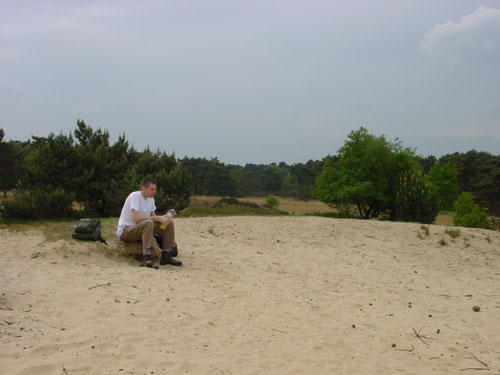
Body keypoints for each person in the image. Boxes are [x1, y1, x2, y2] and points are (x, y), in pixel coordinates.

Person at [116, 177, 182, 268]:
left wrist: (165, 216)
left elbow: (154, 217)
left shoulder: (150, 199)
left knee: (168, 223)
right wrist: (157, 218)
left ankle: (166, 255)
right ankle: (146, 258)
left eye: (155, 189)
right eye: (152, 189)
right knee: (148, 223)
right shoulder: (134, 196)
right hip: (126, 230)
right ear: (143, 188)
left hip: (141, 228)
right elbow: (136, 219)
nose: (154, 191)